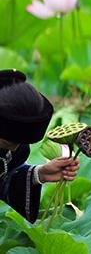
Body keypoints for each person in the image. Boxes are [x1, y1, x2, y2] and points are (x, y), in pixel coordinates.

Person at [0, 69, 80, 223]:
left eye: (19, 143)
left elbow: (4, 182)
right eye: (8, 143)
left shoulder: (17, 147)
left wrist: (39, 174)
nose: (15, 150)